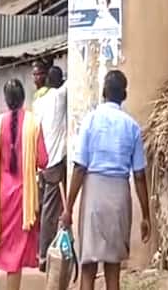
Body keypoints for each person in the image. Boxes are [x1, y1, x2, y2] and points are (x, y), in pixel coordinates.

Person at [61, 70, 150, 290]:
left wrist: (68, 208)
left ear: (103, 92)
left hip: (94, 197)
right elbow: (139, 175)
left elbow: (80, 168)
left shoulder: (90, 121)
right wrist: (146, 215)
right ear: (124, 95)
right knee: (113, 270)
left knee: (88, 267)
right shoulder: (132, 127)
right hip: (120, 197)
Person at [0, 78, 49, 290]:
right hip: (22, 199)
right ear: (23, 99)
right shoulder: (33, 123)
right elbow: (43, 160)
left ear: (5, 99)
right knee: (15, 253)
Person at [34, 65, 67, 271]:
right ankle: (45, 255)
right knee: (49, 212)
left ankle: (41, 251)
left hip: (42, 164)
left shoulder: (39, 102)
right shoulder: (59, 96)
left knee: (44, 210)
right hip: (54, 165)